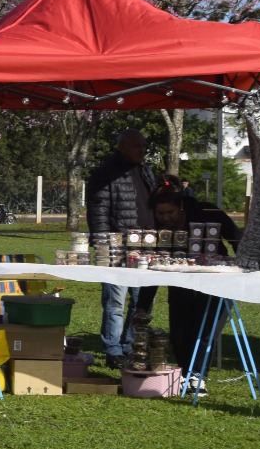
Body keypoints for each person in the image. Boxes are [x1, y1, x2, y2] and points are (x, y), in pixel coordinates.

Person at [150, 187, 240, 382]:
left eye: (170, 212)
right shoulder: (158, 229)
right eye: (160, 213)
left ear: (181, 207)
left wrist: (241, 262)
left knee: (205, 330)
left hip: (214, 279)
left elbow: (235, 236)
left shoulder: (207, 212)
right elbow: (154, 268)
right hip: (180, 282)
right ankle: (184, 373)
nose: (165, 217)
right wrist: (143, 305)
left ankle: (198, 375)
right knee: (179, 333)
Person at [86, 129, 157, 367]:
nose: (142, 150)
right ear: (122, 147)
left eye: (144, 146)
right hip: (117, 249)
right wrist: (103, 245)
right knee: (115, 301)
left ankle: (130, 345)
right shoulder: (105, 173)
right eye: (137, 146)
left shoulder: (146, 171)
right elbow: (98, 212)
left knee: (141, 301)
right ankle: (113, 350)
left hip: (146, 247)